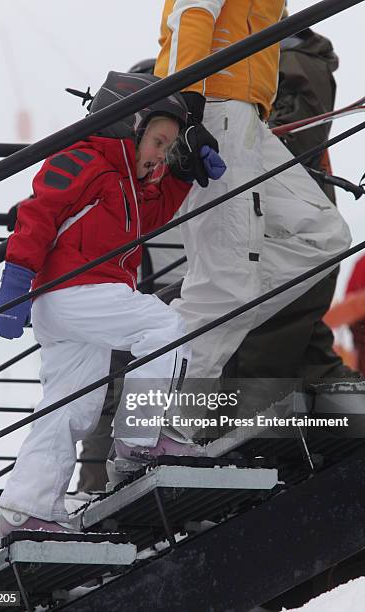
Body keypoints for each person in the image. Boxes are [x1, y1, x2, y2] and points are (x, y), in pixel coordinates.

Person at [0, 70, 225, 535]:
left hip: (83, 303)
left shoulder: (129, 186)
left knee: (71, 405)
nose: (161, 155)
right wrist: (15, 279)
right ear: (130, 125)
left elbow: (153, 216)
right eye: (159, 142)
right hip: (75, 290)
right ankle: (141, 438)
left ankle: (27, 509)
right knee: (166, 329)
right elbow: (38, 213)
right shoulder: (81, 159)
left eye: (168, 147)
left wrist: (181, 175)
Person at [150, 0, 351, 432]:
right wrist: (185, 106)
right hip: (215, 107)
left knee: (321, 235)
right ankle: (162, 429)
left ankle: (174, 332)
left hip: (245, 114)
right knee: (223, 285)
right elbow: (192, 10)